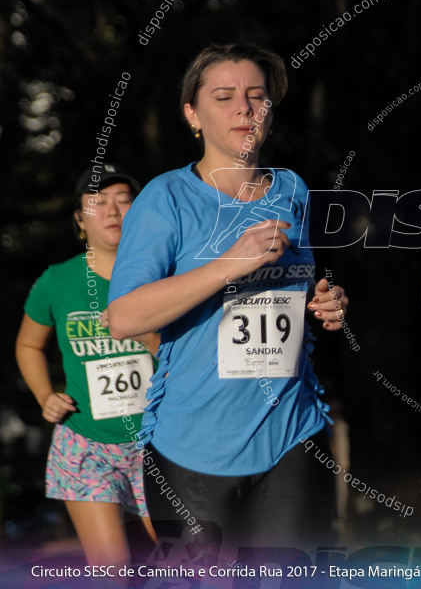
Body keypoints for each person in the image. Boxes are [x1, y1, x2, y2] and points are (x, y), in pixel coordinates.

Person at [106, 44, 348, 559]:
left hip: (291, 433)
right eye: (224, 97)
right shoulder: (166, 197)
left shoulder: (293, 189)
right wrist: (229, 264)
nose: (245, 108)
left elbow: (296, 288)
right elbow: (123, 317)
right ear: (192, 115)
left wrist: (322, 303)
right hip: (192, 448)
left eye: (257, 96)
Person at [15, 163, 158, 574]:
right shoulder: (57, 281)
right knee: (113, 567)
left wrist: (150, 339)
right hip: (86, 443)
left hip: (158, 442)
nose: (113, 211)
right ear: (80, 218)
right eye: (99, 202)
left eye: (125, 201)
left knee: (171, 560)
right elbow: (27, 345)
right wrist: (45, 396)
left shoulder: (166, 275)